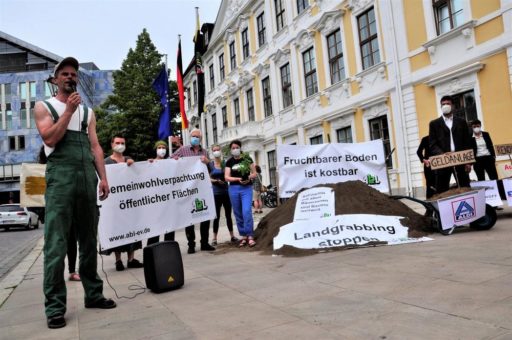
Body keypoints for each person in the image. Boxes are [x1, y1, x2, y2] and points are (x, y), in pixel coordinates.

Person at [34, 57, 116, 329]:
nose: (70, 77)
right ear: (55, 79)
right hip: (60, 179)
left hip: (85, 178)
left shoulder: (88, 113)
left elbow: (95, 147)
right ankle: (55, 308)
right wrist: (68, 111)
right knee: (56, 244)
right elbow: (49, 139)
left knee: (89, 240)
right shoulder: (44, 107)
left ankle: (93, 294)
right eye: (65, 74)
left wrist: (103, 177)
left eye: (73, 74)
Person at [101, 135, 143, 271]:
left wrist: (131, 164)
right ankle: (118, 260)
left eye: (122, 143)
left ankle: (131, 259)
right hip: (114, 204)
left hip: (130, 203)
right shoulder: (106, 163)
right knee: (117, 230)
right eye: (117, 142)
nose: (120, 145)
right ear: (112, 144)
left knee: (132, 229)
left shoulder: (129, 160)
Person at [171, 128, 215, 253]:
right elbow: (169, 162)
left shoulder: (204, 152)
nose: (195, 138)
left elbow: (212, 170)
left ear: (200, 139)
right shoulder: (183, 150)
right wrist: (175, 161)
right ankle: (191, 245)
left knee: (205, 216)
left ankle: (205, 243)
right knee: (189, 217)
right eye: (193, 136)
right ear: (190, 137)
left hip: (202, 189)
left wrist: (208, 162)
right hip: (188, 189)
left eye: (197, 136)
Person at [428, 95, 472, 194]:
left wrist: (468, 162)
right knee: (442, 190)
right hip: (443, 161)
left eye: (448, 104)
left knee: (465, 187)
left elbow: (467, 142)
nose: (445, 106)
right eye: (443, 104)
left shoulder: (461, 122)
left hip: (460, 160)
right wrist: (442, 154)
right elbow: (432, 144)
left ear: (452, 106)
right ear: (441, 106)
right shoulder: (434, 124)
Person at [224, 140, 257, 248]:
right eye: (233, 148)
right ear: (231, 150)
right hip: (233, 189)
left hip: (246, 188)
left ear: (240, 147)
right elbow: (226, 177)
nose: (235, 149)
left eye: (237, 147)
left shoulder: (247, 159)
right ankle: (243, 236)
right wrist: (238, 179)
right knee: (238, 212)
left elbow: (254, 173)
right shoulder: (229, 162)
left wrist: (247, 178)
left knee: (246, 211)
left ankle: (250, 235)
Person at [147, 140, 176, 245]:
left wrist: (178, 162)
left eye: (163, 148)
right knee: (156, 226)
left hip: (169, 200)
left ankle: (169, 247)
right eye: (159, 148)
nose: (161, 150)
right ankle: (152, 249)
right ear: (155, 150)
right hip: (156, 200)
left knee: (170, 226)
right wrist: (148, 165)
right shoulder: (151, 163)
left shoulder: (170, 163)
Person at [209, 144, 238, 246]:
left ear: (220, 151)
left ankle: (232, 236)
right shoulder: (210, 165)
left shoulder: (225, 163)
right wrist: (216, 181)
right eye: (214, 150)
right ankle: (214, 238)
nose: (216, 151)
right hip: (216, 194)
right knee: (216, 216)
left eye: (218, 150)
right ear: (212, 152)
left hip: (226, 192)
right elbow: (208, 178)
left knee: (228, 215)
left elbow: (229, 175)